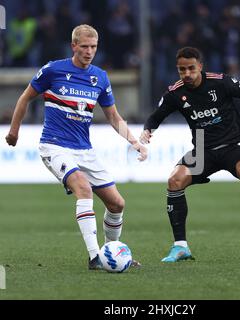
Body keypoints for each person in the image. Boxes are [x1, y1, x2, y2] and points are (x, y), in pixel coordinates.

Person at [5, 24, 147, 270]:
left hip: (85, 150)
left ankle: (110, 253)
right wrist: (14, 131)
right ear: (74, 46)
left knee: (117, 204)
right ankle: (95, 258)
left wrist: (135, 142)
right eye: (84, 46)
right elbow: (25, 97)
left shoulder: (100, 77)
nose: (89, 51)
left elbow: (113, 117)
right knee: (83, 187)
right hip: (55, 146)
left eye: (93, 47)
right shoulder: (53, 70)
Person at [140, 47, 240, 262]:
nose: (186, 74)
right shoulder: (175, 93)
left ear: (200, 67)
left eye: (191, 68)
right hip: (203, 149)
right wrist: (148, 131)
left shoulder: (220, 82)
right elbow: (155, 117)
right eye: (181, 70)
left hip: (233, 142)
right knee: (174, 181)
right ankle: (180, 246)